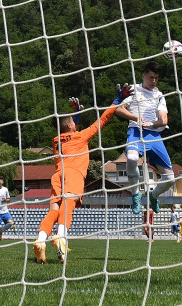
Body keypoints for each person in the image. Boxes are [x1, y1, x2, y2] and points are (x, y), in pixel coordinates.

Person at [33, 86, 132, 264]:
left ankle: (40, 241)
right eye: (73, 120)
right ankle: (61, 237)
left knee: (54, 210)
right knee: (68, 206)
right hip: (73, 174)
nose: (75, 122)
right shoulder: (80, 137)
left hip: (57, 175)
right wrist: (116, 101)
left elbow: (68, 129)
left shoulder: (56, 141)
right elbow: (102, 120)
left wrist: (76, 114)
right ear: (71, 125)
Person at [115, 61, 175, 215]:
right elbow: (119, 109)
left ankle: (153, 196)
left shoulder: (159, 95)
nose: (153, 81)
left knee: (170, 179)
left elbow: (164, 120)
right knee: (132, 159)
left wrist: (152, 123)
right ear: (143, 76)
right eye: (151, 77)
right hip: (136, 131)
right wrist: (137, 118)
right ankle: (136, 194)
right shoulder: (134, 90)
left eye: (156, 78)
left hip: (154, 135)